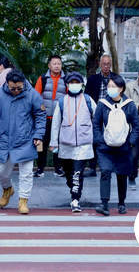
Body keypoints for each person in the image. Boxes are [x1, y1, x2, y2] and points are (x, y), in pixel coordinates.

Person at [0, 69, 45, 215]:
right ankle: (7, 189)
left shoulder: (32, 95)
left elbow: (40, 115)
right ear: (7, 84)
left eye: (19, 88)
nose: (16, 91)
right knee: (1, 172)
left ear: (23, 83)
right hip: (4, 139)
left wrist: (38, 135)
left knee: (26, 173)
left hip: (26, 139)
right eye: (13, 88)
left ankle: (23, 200)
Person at [49, 72, 95, 213]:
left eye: (77, 82)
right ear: (67, 85)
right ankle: (73, 189)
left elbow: (98, 118)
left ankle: (75, 199)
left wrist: (99, 137)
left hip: (83, 144)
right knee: (69, 173)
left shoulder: (88, 100)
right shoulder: (62, 101)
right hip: (66, 144)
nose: (74, 85)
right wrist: (53, 142)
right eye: (72, 83)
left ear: (81, 84)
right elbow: (55, 123)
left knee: (77, 173)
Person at [93, 77, 139, 216]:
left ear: (121, 88)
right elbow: (96, 124)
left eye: (114, 86)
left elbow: (136, 126)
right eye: (109, 86)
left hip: (123, 147)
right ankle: (104, 204)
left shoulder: (129, 105)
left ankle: (121, 203)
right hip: (105, 148)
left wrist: (130, 142)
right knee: (105, 172)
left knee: (122, 174)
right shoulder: (102, 104)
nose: (110, 89)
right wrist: (99, 140)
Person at [84, 54, 124, 177]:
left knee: (112, 139)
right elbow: (86, 97)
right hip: (96, 112)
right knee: (96, 139)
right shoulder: (93, 79)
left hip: (113, 112)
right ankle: (92, 167)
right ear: (100, 65)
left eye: (108, 64)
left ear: (110, 65)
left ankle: (111, 166)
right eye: (104, 64)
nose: (106, 66)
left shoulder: (116, 78)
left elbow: (122, 94)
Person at [34, 55, 67, 177]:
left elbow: (69, 97)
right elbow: (36, 96)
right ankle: (40, 168)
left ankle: (58, 168)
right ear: (49, 65)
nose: (57, 66)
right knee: (41, 143)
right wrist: (40, 109)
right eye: (54, 63)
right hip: (44, 118)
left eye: (59, 63)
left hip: (59, 119)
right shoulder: (43, 78)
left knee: (57, 143)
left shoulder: (66, 79)